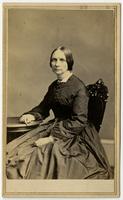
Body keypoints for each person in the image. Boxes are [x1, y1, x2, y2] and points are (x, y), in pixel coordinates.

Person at [6, 46, 112, 179]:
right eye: (54, 60)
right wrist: (32, 114)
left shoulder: (79, 87)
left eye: (62, 60)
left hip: (74, 133)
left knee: (42, 156)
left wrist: (51, 138)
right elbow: (44, 107)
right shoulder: (54, 85)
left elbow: (79, 120)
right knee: (17, 151)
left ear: (69, 62)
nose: (57, 64)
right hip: (56, 126)